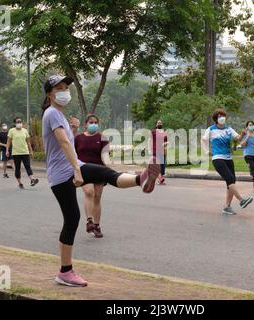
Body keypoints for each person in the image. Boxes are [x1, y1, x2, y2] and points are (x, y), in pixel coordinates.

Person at [42, 75, 160, 287]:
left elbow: (67, 141)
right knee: (72, 219)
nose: (64, 91)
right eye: (58, 88)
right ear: (50, 94)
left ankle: (141, 178)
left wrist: (75, 131)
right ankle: (65, 272)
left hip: (72, 166)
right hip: (62, 174)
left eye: (65, 87)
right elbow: (63, 143)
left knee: (105, 173)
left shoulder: (57, 114)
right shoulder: (52, 113)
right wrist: (77, 171)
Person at [201, 109, 253, 215]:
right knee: (229, 179)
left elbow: (237, 138)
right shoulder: (211, 129)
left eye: (223, 116)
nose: (222, 118)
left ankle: (227, 207)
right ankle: (241, 200)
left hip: (228, 159)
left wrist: (243, 134)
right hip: (218, 159)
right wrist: (207, 151)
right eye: (220, 116)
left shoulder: (229, 129)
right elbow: (203, 140)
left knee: (231, 182)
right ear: (216, 119)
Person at [72, 114, 111, 238]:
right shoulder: (78, 138)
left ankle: (97, 225)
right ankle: (89, 221)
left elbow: (105, 156)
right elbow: (72, 154)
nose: (93, 124)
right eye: (91, 122)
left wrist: (109, 169)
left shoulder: (102, 138)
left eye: (95, 122)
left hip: (99, 170)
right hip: (84, 170)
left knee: (97, 197)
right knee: (89, 192)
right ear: (86, 124)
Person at [5, 117, 39, 189]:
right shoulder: (11, 131)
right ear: (15, 123)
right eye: (18, 122)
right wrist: (7, 150)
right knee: (17, 168)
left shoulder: (25, 131)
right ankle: (20, 183)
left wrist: (31, 151)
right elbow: (8, 141)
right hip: (16, 153)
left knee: (27, 166)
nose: (19, 123)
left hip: (25, 152)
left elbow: (28, 142)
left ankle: (32, 179)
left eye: (20, 121)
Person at [151, 119, 168, 185]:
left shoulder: (164, 133)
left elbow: (166, 141)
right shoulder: (153, 132)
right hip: (155, 151)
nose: (160, 124)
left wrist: (165, 144)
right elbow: (150, 140)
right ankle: (160, 179)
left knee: (162, 165)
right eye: (158, 123)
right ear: (156, 125)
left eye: (161, 123)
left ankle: (161, 178)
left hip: (162, 151)